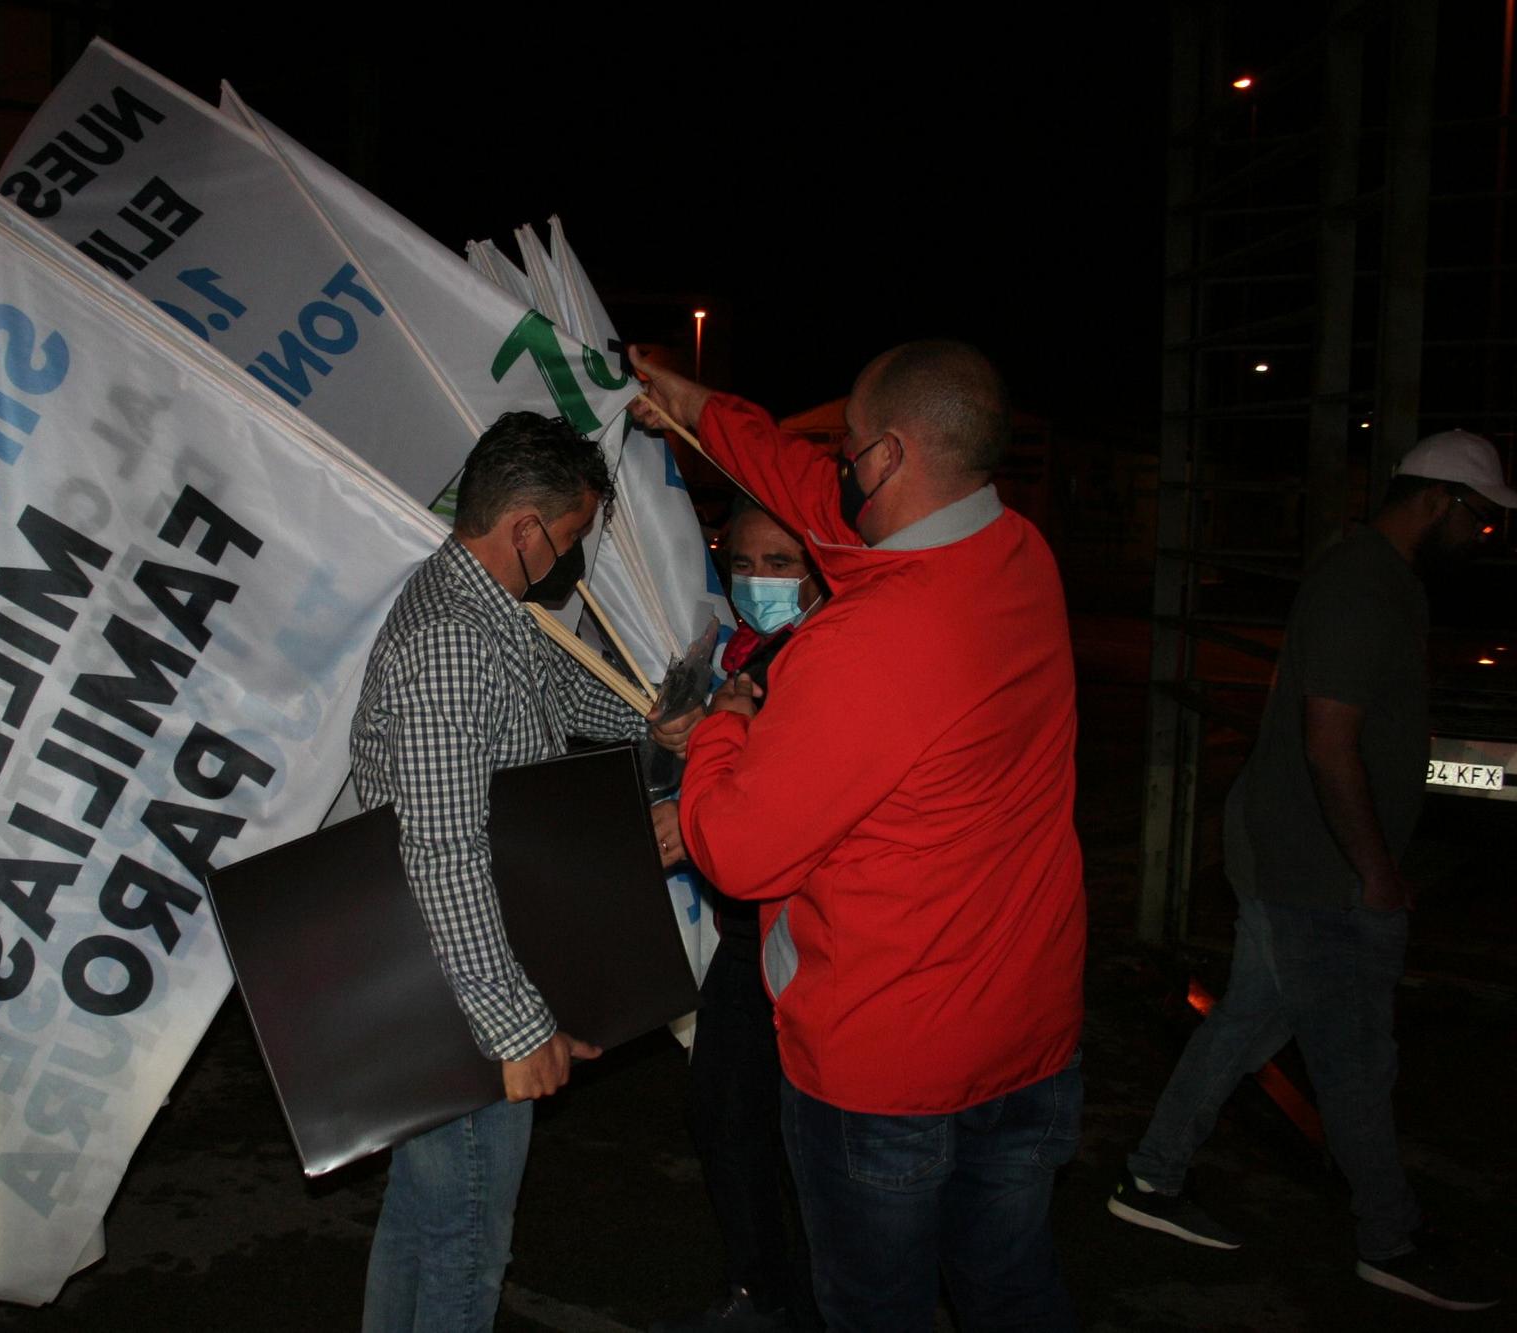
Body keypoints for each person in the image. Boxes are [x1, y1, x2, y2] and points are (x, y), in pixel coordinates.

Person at [635, 340, 1087, 1332]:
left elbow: (737, 851)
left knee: (875, 1308)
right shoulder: (1017, 555)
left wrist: (724, 724)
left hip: (886, 1071)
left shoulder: (857, 643)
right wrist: (699, 407)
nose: (832, 468)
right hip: (1028, 1038)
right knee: (1009, 1287)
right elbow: (807, 495)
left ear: (880, 460)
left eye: (844, 449)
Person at [1108, 430, 1512, 1314]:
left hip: (1303, 857)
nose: (1485, 536)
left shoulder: (1374, 577)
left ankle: (1151, 1176)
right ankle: (1391, 1237)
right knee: (1356, 1057)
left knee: (1248, 1024)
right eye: (1481, 519)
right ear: (1440, 500)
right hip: (1316, 868)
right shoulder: (1361, 585)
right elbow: (1330, 741)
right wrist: (1374, 871)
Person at [349, 409, 693, 1332]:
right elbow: (444, 849)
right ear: (528, 528)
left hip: (451, 968)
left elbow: (560, 683)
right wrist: (515, 1024)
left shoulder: (483, 607)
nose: (574, 558)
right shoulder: (454, 638)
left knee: (422, 1220)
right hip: (458, 986)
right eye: (574, 537)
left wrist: (650, 720)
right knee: (465, 1236)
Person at [655, 498, 825, 1333]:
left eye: (781, 564)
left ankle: (787, 1296)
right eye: (744, 563)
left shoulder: (826, 661)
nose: (757, 581)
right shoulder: (747, 650)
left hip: (803, 932)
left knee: (774, 1124)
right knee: (726, 1108)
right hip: (751, 929)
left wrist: (696, 822)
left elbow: (781, 808)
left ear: (822, 569)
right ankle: (768, 1289)